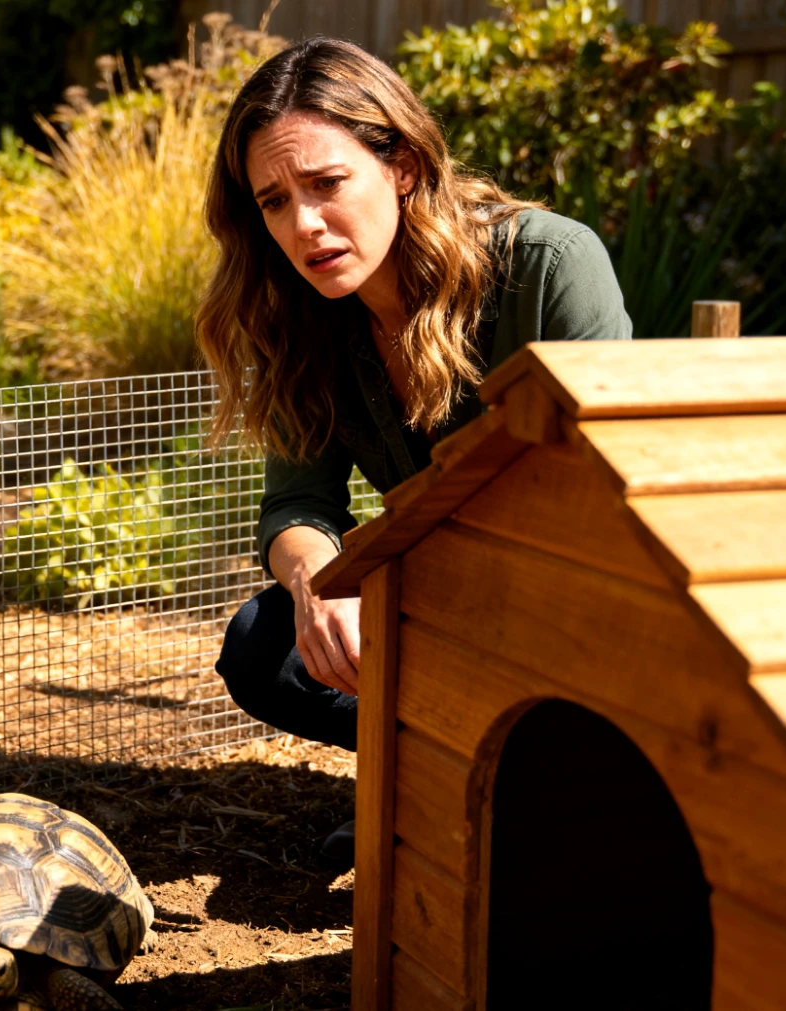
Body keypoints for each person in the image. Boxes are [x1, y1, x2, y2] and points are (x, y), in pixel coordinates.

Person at [196, 37, 632, 866]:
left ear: (399, 164)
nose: (305, 225)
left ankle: (501, 780)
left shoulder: (547, 267)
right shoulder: (300, 318)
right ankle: (437, 772)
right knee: (264, 643)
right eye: (275, 201)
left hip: (568, 604)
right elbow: (299, 505)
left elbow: (601, 502)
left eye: (327, 184)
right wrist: (321, 587)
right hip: (440, 607)